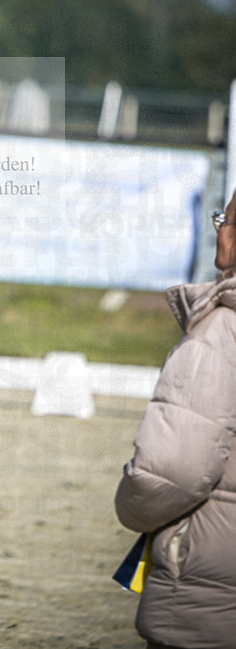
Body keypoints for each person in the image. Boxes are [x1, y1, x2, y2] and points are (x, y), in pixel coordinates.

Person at [114, 189, 236, 649]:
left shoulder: (223, 330)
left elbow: (171, 471)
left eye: (225, 218)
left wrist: (133, 506)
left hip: (211, 590)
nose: (219, 228)